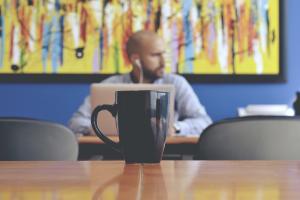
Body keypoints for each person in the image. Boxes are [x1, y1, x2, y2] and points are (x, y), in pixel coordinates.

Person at [69, 30, 212, 136]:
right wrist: (97, 129)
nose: (163, 62)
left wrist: (175, 128)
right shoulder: (110, 84)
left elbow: (204, 122)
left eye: (164, 54)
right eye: (156, 55)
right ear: (135, 59)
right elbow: (75, 122)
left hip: (167, 156)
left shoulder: (176, 83)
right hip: (116, 153)